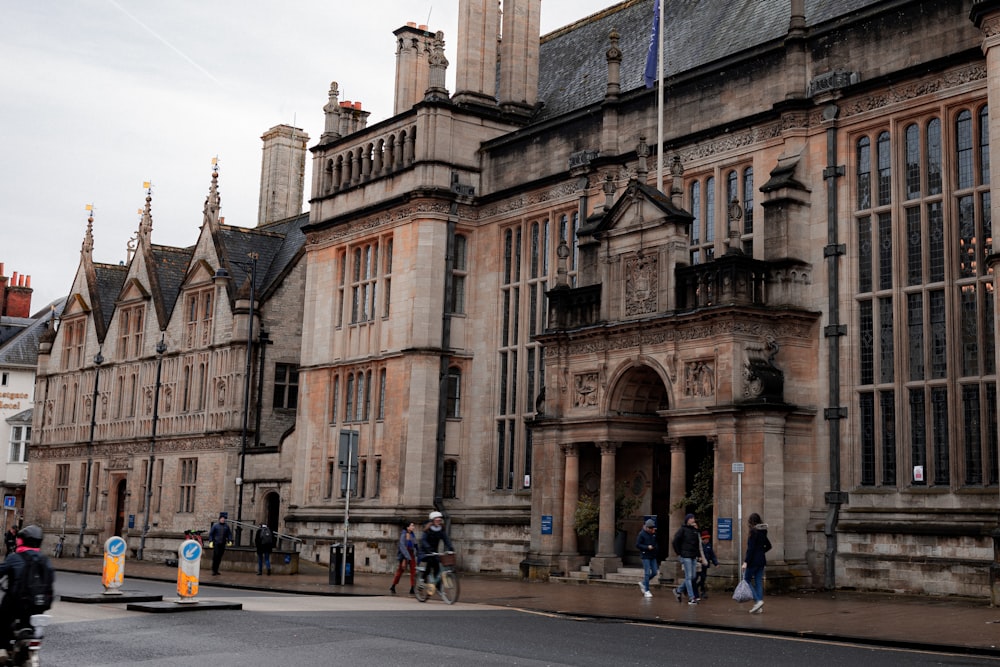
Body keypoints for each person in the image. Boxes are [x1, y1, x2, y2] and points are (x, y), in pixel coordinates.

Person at [0, 525, 54, 659]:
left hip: (17, 604)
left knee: (2, 621)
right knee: (32, 626)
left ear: (21, 540)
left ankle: (3, 649)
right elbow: (50, 580)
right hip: (40, 604)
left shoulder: (14, 557)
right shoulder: (45, 560)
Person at [671, 513, 705, 605]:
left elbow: (697, 544)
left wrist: (699, 556)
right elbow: (675, 541)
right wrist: (679, 553)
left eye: (693, 518)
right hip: (686, 556)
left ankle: (678, 590)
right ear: (687, 520)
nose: (693, 520)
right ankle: (691, 598)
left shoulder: (695, 531)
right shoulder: (682, 530)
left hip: (693, 556)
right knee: (689, 577)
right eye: (691, 518)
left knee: (693, 577)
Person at [742, 512, 771, 614]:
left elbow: (750, 549)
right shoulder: (763, 532)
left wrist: (745, 562)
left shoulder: (753, 532)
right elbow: (769, 546)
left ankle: (758, 601)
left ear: (751, 522)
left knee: (746, 580)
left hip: (753, 561)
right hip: (761, 560)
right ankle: (759, 606)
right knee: (758, 581)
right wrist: (761, 552)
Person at [418, 510, 454, 585]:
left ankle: (437, 586)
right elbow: (423, 541)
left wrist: (450, 547)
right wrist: (428, 548)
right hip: (425, 551)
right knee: (430, 563)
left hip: (434, 551)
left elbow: (446, 539)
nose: (438, 521)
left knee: (437, 567)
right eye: (436, 519)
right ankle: (422, 579)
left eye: (439, 519)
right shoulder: (427, 530)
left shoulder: (441, 530)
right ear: (432, 520)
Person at [390, 521, 417, 595]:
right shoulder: (403, 535)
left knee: (413, 571)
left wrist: (417, 551)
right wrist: (406, 558)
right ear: (408, 527)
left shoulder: (412, 534)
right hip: (404, 555)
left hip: (411, 553)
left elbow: (415, 544)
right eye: (412, 526)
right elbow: (402, 547)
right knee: (400, 571)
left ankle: (412, 588)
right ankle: (393, 586)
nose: (413, 527)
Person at [635, 519, 658, 598]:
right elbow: (638, 545)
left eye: (652, 528)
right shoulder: (641, 534)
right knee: (647, 573)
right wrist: (646, 547)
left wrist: (655, 548)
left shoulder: (653, 534)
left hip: (652, 555)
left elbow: (655, 543)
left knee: (655, 572)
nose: (652, 530)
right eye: (650, 528)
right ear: (647, 527)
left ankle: (644, 583)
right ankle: (647, 590)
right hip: (645, 555)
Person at [694, 529, 719, 599]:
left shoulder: (709, 545)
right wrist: (698, 558)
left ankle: (702, 591)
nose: (707, 540)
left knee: (703, 578)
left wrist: (716, 563)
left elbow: (712, 555)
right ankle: (692, 589)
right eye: (706, 539)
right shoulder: (699, 545)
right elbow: (696, 554)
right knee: (695, 578)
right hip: (699, 565)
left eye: (708, 539)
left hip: (705, 565)